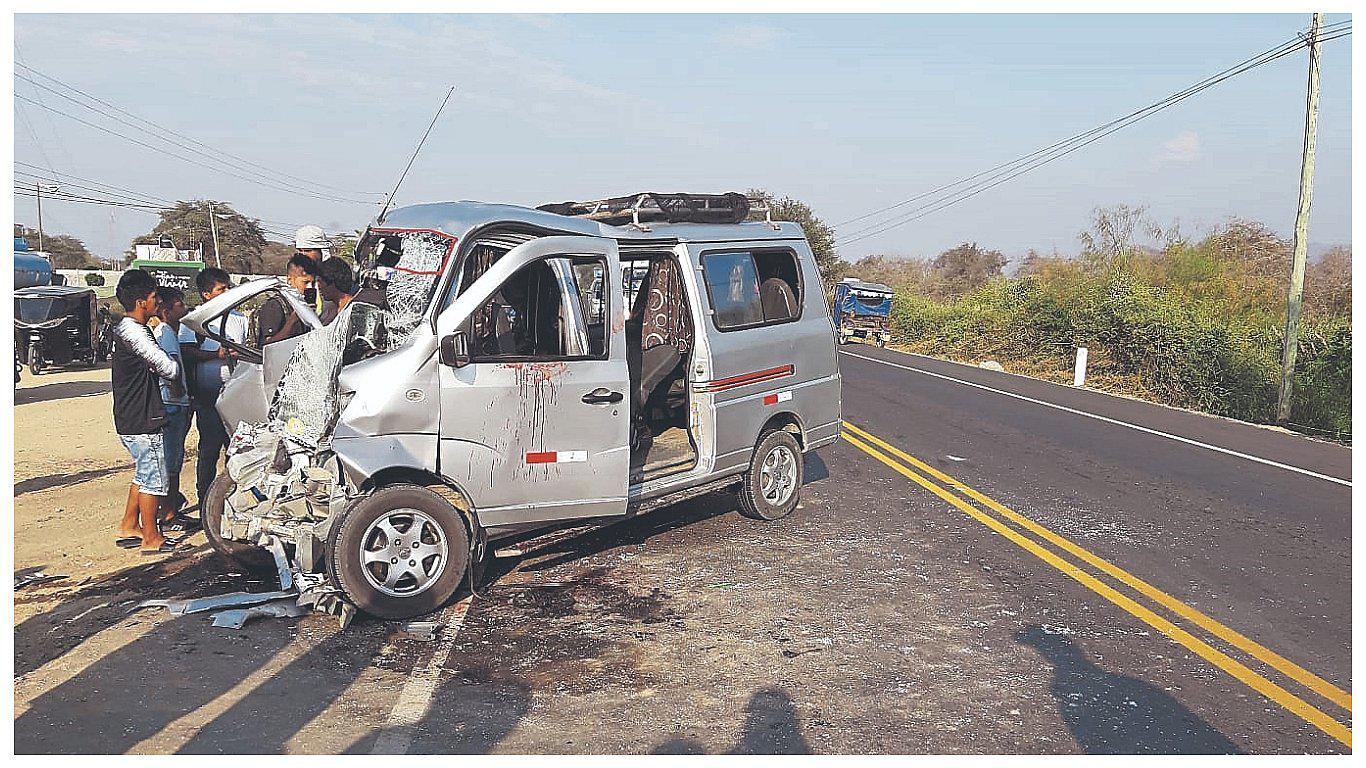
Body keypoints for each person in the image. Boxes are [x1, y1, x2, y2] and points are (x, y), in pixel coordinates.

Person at [110, 269, 188, 555]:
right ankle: (152, 537)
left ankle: (129, 525)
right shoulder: (135, 331)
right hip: (143, 417)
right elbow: (169, 368)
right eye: (155, 297)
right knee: (154, 479)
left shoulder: (128, 329)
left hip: (130, 414)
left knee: (143, 474)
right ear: (142, 302)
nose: (158, 302)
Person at [181, 267, 249, 507]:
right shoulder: (195, 319)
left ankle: (234, 502)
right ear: (206, 294)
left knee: (237, 450)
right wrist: (215, 354)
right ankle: (205, 503)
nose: (228, 292)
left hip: (235, 396)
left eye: (228, 286)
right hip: (208, 396)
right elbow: (186, 352)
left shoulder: (241, 319)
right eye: (221, 289)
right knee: (209, 450)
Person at [150, 286, 196, 530]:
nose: (184, 306)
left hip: (174, 401)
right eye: (179, 303)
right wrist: (179, 391)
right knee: (171, 461)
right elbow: (172, 365)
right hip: (173, 403)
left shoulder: (168, 331)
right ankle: (168, 512)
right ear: (168, 310)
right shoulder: (165, 332)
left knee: (173, 459)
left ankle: (170, 508)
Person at [257, 254, 318, 346]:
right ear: (290, 279)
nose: (310, 287)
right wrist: (292, 321)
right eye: (305, 282)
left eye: (313, 283)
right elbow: (268, 345)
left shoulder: (300, 304)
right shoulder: (275, 305)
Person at [316, 257, 356, 324]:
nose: (318, 286)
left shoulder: (352, 308)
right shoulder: (332, 309)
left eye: (320, 281)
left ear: (331, 282)